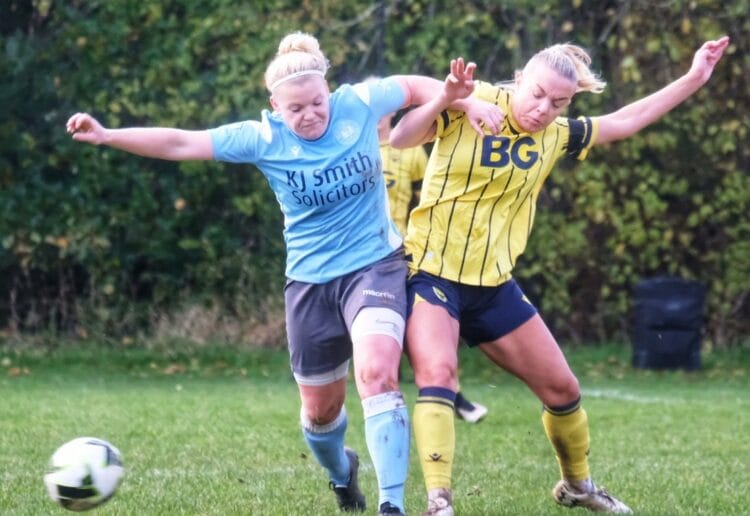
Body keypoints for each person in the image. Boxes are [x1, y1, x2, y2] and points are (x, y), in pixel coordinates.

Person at [66, 32, 492, 516]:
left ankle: (391, 506)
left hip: (376, 265)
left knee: (377, 374)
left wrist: (468, 102)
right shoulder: (263, 137)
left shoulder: (358, 103)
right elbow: (182, 142)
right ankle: (341, 472)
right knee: (319, 414)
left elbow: (416, 87)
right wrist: (107, 135)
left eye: (317, 103)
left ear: (328, 92)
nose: (310, 115)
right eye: (296, 109)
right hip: (310, 284)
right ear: (275, 106)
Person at [390, 36, 730, 515]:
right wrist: (451, 98)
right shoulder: (475, 102)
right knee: (438, 376)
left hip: (493, 286)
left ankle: (577, 487)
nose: (544, 109)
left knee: (564, 390)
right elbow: (402, 137)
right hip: (431, 274)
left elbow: (623, 121)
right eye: (538, 94)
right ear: (520, 79)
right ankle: (438, 501)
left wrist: (694, 77)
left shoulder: (554, 135)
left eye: (559, 102)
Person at [377, 112, 489, 424]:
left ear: (390, 115)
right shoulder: (354, 147)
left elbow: (426, 198)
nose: (375, 119)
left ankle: (453, 394)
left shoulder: (410, 150)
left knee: (418, 325)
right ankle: (386, 399)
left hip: (405, 250)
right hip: (366, 254)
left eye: (382, 113)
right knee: (382, 327)